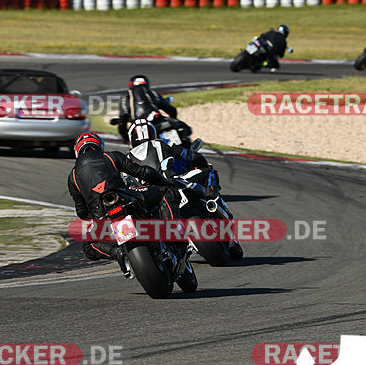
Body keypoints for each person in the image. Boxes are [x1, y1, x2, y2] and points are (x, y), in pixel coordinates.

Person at [126, 119, 243, 261]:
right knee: (209, 170)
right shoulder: (161, 143)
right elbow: (190, 156)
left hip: (152, 198)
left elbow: (127, 184)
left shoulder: (127, 158)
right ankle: (213, 201)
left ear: (132, 138)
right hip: (175, 182)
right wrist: (200, 162)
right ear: (152, 133)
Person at [67, 132, 180, 267]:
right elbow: (143, 172)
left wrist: (95, 217)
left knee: (88, 246)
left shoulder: (72, 177)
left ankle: (117, 252)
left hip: (101, 213)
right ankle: (171, 232)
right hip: (124, 197)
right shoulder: (110, 156)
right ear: (99, 145)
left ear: (77, 151)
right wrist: (164, 182)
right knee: (167, 191)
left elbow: (81, 211)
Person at [115, 75, 178, 143]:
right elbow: (170, 109)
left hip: (145, 128)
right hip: (152, 125)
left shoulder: (125, 100)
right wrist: (173, 119)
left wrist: (126, 138)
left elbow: (122, 123)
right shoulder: (153, 94)